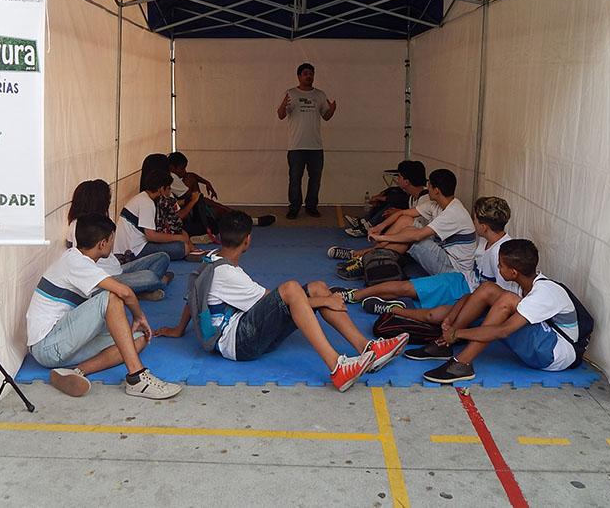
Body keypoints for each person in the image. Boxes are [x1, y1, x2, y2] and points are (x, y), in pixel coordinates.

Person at [155, 210, 409, 392]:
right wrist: (326, 302)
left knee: (317, 287)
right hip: (239, 344)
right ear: (248, 240)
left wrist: (179, 329)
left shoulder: (210, 260)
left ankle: (367, 348)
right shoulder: (228, 274)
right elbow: (283, 299)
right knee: (291, 289)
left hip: (243, 331)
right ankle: (337, 367)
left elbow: (193, 296)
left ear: (220, 238)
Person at [25, 213, 182, 399]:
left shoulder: (77, 259)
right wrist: (139, 317)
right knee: (112, 297)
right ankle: (137, 378)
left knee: (137, 340)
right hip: (47, 346)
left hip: (61, 344)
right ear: (102, 243)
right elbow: (124, 292)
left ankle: (75, 372)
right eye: (111, 240)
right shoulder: (75, 262)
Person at [412, 239, 579, 384]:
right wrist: (453, 321)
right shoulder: (521, 284)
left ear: (514, 272)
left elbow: (503, 331)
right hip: (541, 344)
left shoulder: (544, 291)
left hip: (554, 354)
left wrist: (458, 333)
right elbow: (473, 298)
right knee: (488, 289)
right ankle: (444, 344)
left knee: (507, 300)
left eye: (501, 265)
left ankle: (462, 363)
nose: (498, 268)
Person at [335, 196, 515, 315]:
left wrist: (469, 307)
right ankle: (354, 295)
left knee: (431, 315)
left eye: (474, 220)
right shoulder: (486, 239)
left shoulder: (501, 253)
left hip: (468, 292)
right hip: (461, 280)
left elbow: (500, 296)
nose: (472, 223)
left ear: (483, 227)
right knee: (406, 287)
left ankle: (394, 309)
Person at [329, 169, 477, 283]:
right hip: (442, 253)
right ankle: (365, 258)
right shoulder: (437, 204)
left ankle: (366, 261)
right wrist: (379, 227)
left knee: (412, 237)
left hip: (453, 270)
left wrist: (383, 237)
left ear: (436, 190)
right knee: (406, 221)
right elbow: (402, 214)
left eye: (429, 185)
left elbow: (417, 236)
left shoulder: (453, 213)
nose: (427, 188)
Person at [67, 179, 172, 300]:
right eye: (107, 199)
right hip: (105, 278)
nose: (109, 203)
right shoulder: (78, 227)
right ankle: (151, 285)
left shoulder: (99, 221)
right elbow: (85, 265)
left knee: (162, 257)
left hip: (117, 269)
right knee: (150, 277)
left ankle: (139, 289)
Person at [276, 63, 336, 219]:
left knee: (315, 179)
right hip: (296, 146)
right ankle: (294, 207)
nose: (308, 76)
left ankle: (311, 206)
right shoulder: (290, 94)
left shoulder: (320, 95)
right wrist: (282, 106)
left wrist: (332, 110)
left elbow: (326, 117)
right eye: (305, 73)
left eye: (311, 73)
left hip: (315, 146)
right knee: (295, 179)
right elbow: (281, 115)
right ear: (299, 76)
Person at [167, 151, 276, 229]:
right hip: (186, 214)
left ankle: (244, 219)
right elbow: (196, 198)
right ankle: (251, 221)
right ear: (172, 167)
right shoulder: (172, 178)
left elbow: (191, 177)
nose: (184, 171)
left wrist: (206, 182)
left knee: (191, 179)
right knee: (222, 212)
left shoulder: (170, 176)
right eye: (182, 168)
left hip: (190, 208)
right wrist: (222, 206)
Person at [113, 168, 201, 261]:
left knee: (182, 235)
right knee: (182, 248)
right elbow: (151, 236)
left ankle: (195, 252)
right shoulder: (146, 203)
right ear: (161, 189)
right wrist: (178, 238)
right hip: (134, 250)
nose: (170, 192)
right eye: (169, 188)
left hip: (136, 245)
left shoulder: (145, 198)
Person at [344, 160, 430, 238]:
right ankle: (366, 224)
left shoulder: (424, 199)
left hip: (422, 235)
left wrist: (399, 214)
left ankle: (369, 228)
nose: (397, 179)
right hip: (414, 229)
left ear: (406, 182)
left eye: (399, 177)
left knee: (395, 210)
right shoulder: (412, 196)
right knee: (391, 202)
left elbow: (421, 226)